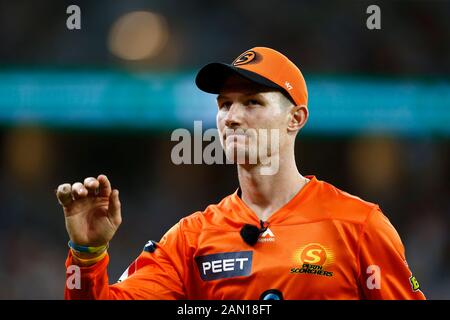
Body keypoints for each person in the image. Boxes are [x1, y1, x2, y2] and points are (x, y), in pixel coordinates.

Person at [57, 47, 425, 300]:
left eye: (252, 102)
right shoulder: (189, 241)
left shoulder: (359, 225)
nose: (232, 117)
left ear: (295, 119)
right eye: (225, 104)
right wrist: (87, 253)